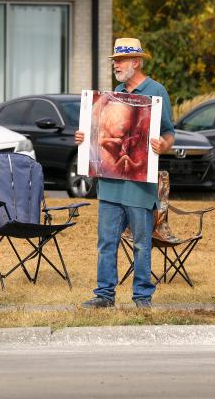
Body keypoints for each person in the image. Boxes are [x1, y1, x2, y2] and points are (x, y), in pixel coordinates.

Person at [75, 37, 175, 310]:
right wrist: (85, 137)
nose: (116, 65)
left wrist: (162, 145)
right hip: (109, 184)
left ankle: (142, 297)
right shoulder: (112, 95)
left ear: (136, 62)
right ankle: (104, 295)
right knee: (106, 243)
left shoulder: (156, 92)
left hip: (140, 186)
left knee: (141, 244)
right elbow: (99, 132)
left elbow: (169, 133)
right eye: (115, 61)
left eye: (121, 60)